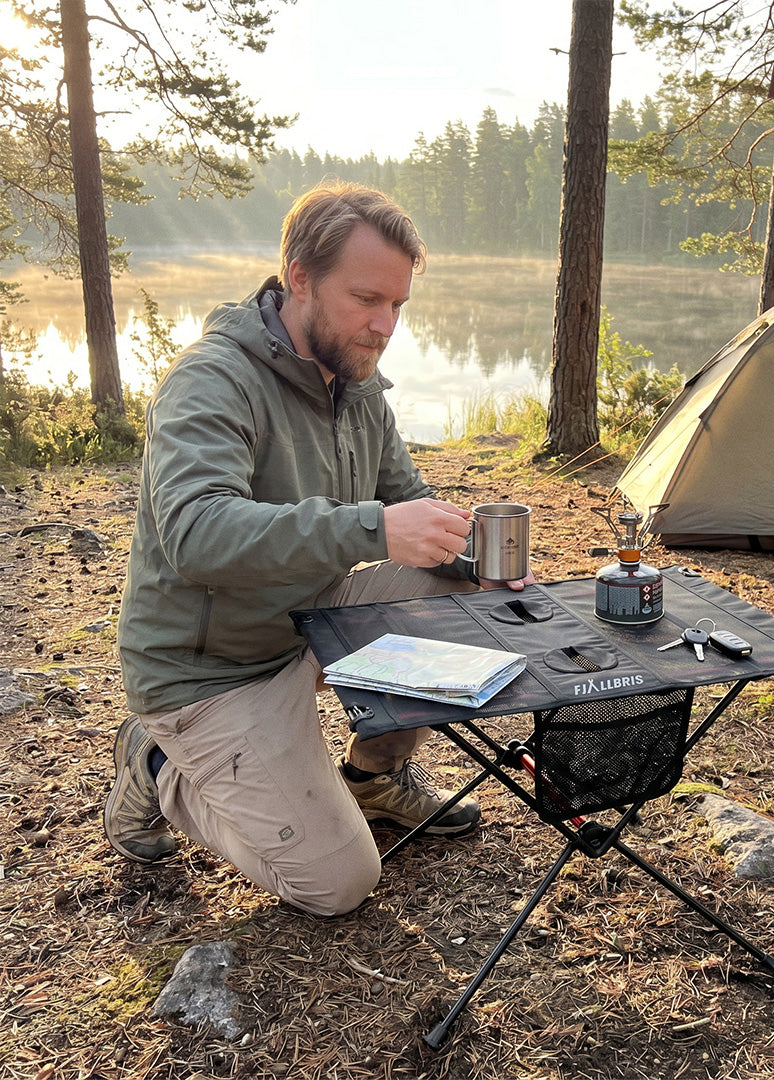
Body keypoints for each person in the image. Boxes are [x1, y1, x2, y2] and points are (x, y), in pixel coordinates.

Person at [104, 181, 534, 917]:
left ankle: (374, 779)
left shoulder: (359, 385)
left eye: (397, 305)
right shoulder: (213, 379)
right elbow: (196, 535)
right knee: (336, 885)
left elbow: (409, 509)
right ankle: (153, 762)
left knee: (452, 593)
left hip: (310, 622)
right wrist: (372, 527)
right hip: (211, 671)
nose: (385, 324)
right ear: (299, 278)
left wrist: (480, 559)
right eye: (366, 299)